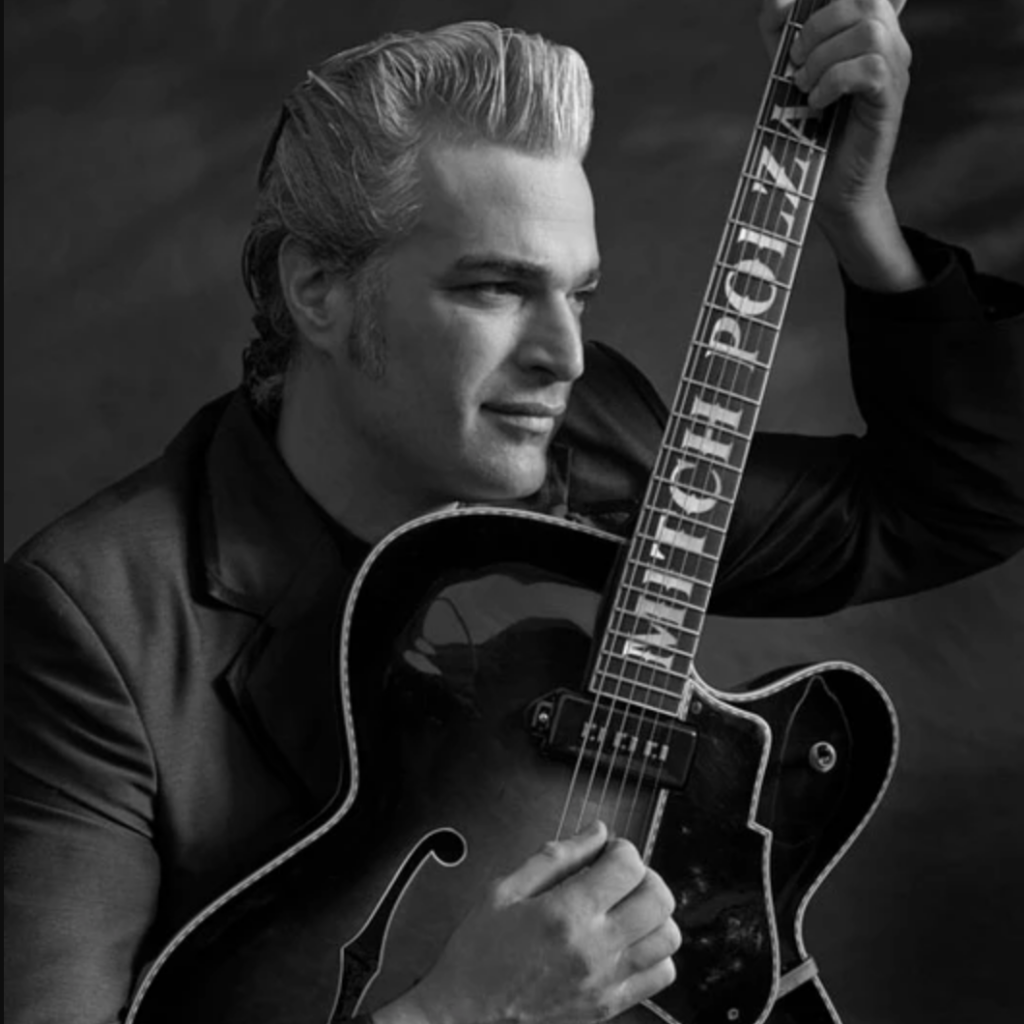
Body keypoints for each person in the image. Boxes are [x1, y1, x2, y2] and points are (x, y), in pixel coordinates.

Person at [5, 2, 1023, 1023]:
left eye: (577, 295)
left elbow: (962, 499)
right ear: (317, 288)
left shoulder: (577, 437)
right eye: (497, 288)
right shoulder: (94, 618)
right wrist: (459, 1012)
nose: (564, 356)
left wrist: (858, 218)